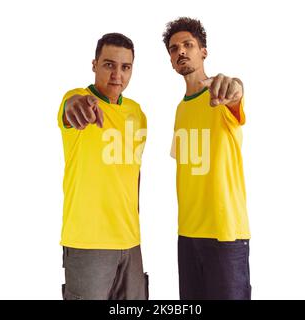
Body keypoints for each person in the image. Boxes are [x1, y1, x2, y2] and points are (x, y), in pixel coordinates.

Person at [163, 17, 252, 300]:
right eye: (174, 48)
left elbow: (235, 92)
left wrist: (235, 87)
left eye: (188, 45)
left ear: (204, 51)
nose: (181, 52)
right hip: (187, 234)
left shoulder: (220, 94)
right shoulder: (179, 110)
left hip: (225, 234)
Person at [57, 33, 148, 300]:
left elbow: (134, 173)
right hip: (89, 243)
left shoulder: (137, 113)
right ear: (94, 64)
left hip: (131, 243)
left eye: (125, 67)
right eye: (109, 65)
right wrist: (75, 106)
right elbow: (69, 108)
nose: (117, 75)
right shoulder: (78, 98)